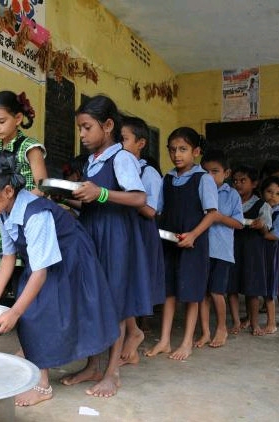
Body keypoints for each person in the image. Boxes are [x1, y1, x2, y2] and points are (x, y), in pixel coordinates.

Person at [0, 155, 119, 407]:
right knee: (34, 312)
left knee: (74, 310)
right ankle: (59, 371)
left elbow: (39, 274)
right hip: (43, 261)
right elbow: (8, 256)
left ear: (8, 191)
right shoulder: (5, 212)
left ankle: (44, 386)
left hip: (72, 257)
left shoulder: (36, 214)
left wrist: (15, 312)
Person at [61, 95, 151, 398]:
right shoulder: (91, 161)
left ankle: (112, 372)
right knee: (93, 298)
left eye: (87, 128)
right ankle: (93, 365)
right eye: (80, 129)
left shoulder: (121, 158)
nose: (82, 135)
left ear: (108, 125)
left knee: (113, 302)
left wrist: (100, 193)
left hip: (115, 236)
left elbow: (139, 198)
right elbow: (93, 200)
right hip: (92, 233)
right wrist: (62, 197)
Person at [0, 90, 48, 351]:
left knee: (24, 288)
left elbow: (42, 187)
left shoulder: (31, 147)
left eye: (1, 121)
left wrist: (14, 202)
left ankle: (27, 344)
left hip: (26, 225)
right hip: (0, 225)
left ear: (18, 118)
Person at [145, 127, 218, 361]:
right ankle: (165, 341)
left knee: (192, 293)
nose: (177, 154)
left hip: (193, 244)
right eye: (173, 149)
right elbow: (159, 210)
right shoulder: (167, 178)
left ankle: (186, 342)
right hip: (169, 242)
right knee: (169, 292)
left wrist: (194, 235)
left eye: (183, 149)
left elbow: (212, 214)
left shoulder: (203, 178)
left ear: (196, 151)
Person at [119, 116, 165, 365]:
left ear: (141, 143)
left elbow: (150, 211)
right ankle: (131, 342)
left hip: (142, 233)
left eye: (124, 139)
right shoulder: (120, 166)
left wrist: (124, 198)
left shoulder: (149, 174)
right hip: (125, 232)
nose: (120, 145)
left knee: (132, 285)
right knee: (121, 284)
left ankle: (133, 334)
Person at [195, 149, 243, 348]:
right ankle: (205, 331)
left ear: (227, 173)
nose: (210, 176)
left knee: (216, 292)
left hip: (222, 251)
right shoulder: (197, 190)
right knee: (202, 294)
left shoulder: (232, 195)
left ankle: (221, 328)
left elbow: (239, 224)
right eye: (206, 172)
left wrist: (218, 217)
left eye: (215, 171)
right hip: (200, 249)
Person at [228, 164, 272, 335]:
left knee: (251, 288)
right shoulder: (230, 201)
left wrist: (260, 225)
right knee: (231, 285)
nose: (238, 184)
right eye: (235, 181)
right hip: (232, 247)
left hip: (252, 251)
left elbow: (266, 229)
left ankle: (254, 323)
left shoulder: (262, 205)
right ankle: (237, 322)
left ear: (254, 184)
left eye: (243, 180)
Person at [260, 176, 279, 334]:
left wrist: (262, 230)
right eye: (269, 192)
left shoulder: (277, 213)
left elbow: (274, 235)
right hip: (266, 254)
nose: (273, 196)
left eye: (278, 193)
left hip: (274, 255)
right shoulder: (264, 209)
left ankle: (271, 323)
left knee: (270, 289)